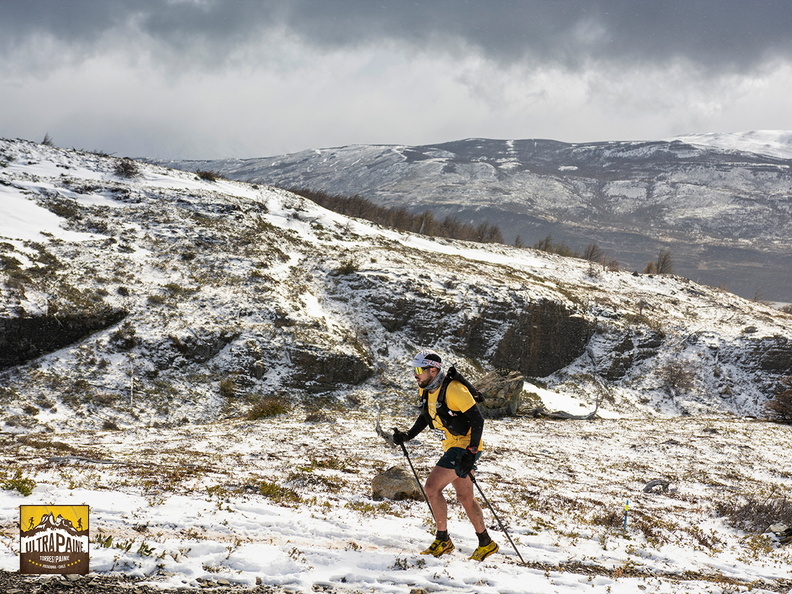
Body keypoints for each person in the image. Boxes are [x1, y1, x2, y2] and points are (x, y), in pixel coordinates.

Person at [393, 350, 498, 561]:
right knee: (465, 497)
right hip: (453, 446)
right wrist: (408, 435)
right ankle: (486, 543)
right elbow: (425, 416)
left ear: (433, 369)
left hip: (464, 448)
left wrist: (471, 453)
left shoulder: (454, 390)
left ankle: (443, 540)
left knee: (432, 488)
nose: (415, 375)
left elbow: (478, 421)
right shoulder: (427, 389)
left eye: (418, 370)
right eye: (414, 370)